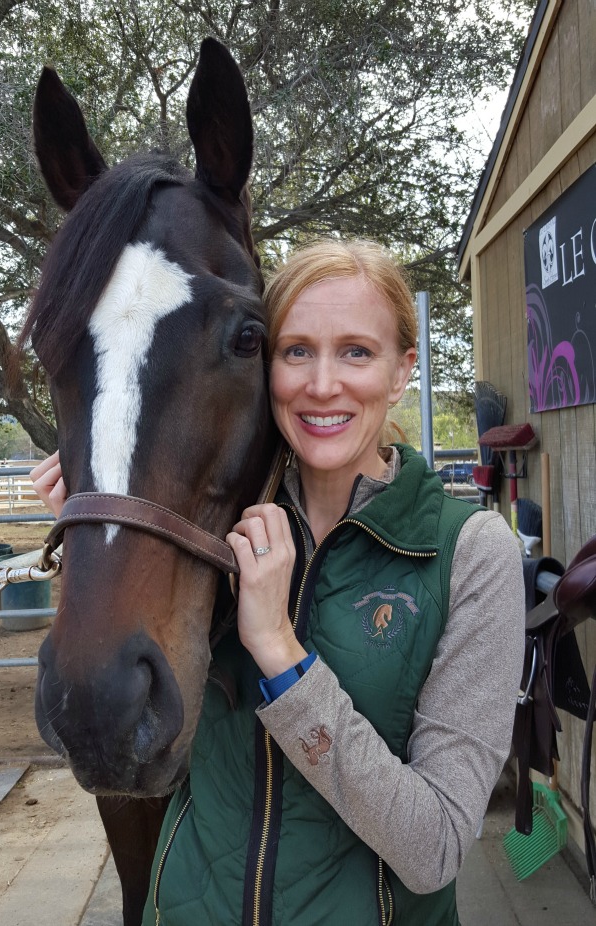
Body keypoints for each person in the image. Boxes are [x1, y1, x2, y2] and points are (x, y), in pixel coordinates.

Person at [32, 239, 525, 926]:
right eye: (296, 351)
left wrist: (281, 657)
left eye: (356, 351)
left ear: (401, 370)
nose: (323, 384)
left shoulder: (470, 555)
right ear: (266, 367)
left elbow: (435, 847)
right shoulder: (205, 534)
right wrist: (101, 540)